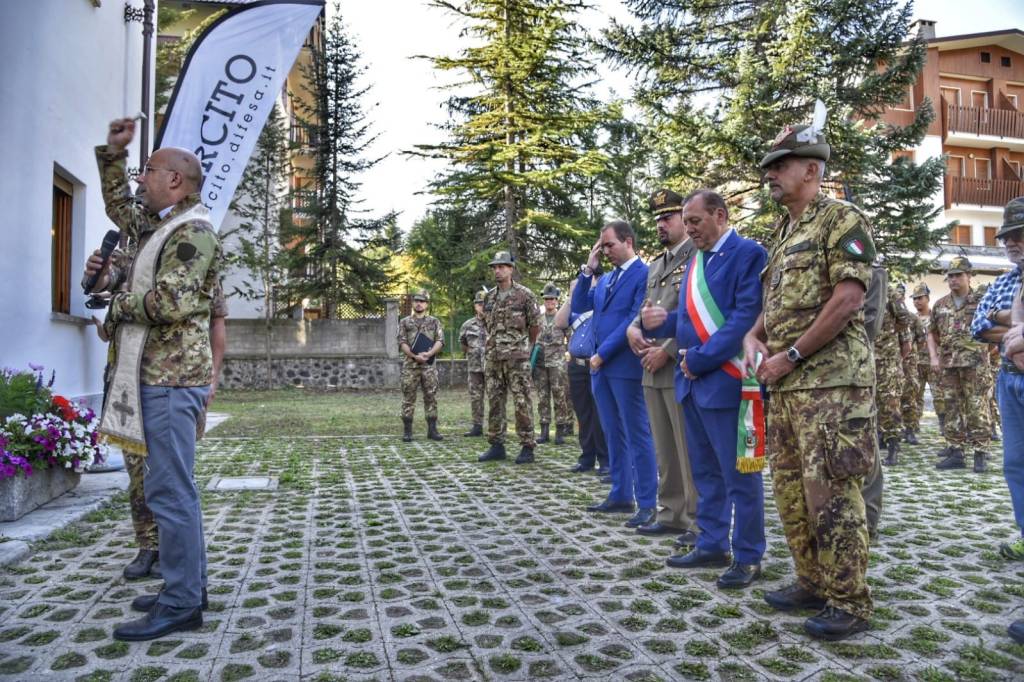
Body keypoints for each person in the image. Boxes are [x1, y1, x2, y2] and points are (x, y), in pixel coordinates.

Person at [90, 117, 222, 641]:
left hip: (170, 381)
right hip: (153, 376)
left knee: (170, 493)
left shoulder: (193, 231)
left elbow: (170, 302)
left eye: (148, 170)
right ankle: (185, 584)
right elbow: (121, 209)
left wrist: (115, 301)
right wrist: (113, 156)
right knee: (169, 491)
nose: (141, 179)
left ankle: (184, 601)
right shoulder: (159, 223)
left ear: (176, 181)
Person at [743, 121, 875, 640]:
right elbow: (771, 305)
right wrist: (755, 338)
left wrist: (792, 354)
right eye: (769, 168)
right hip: (788, 385)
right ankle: (811, 582)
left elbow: (849, 299)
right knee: (792, 492)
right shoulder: (782, 233)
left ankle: (850, 602)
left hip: (832, 384)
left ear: (812, 170)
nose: (771, 176)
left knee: (833, 496)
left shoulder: (841, 219)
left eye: (780, 166)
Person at [641, 190, 767, 589]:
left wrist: (699, 359)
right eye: (686, 221)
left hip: (726, 380)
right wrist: (661, 323)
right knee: (705, 473)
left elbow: (744, 316)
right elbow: (690, 319)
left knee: (739, 476)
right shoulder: (696, 258)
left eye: (695, 221)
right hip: (693, 384)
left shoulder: (748, 253)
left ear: (720, 215)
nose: (689, 228)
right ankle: (712, 541)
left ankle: (748, 555)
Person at [572, 221, 658, 528]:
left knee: (637, 433)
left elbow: (633, 319)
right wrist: (588, 270)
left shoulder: (644, 274)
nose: (605, 251)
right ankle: (621, 493)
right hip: (601, 369)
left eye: (609, 245)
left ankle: (647, 502)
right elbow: (580, 306)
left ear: (628, 242)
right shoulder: (605, 278)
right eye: (602, 246)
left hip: (623, 365)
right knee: (612, 432)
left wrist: (602, 353)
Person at [626, 189, 699, 546]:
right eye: (658, 218)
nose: (661, 224)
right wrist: (634, 329)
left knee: (688, 450)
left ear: (685, 221)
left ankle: (697, 521)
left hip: (679, 365)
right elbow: (647, 308)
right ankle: (670, 513)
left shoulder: (698, 257)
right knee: (664, 449)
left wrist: (667, 350)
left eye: (668, 217)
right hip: (649, 367)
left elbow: (695, 314)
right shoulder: (655, 265)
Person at [971, 198, 1024, 558]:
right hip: (1009, 379)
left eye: (1019, 234)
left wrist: (1004, 319)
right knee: (1015, 463)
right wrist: (1012, 322)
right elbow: (979, 327)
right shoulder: (1004, 281)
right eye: (1006, 237)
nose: (1010, 243)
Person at [929, 256, 991, 472]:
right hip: (949, 365)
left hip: (975, 365)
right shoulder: (940, 305)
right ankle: (956, 452)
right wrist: (935, 357)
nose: (953, 280)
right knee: (952, 406)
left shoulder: (982, 300)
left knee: (977, 407)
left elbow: (994, 329)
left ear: (969, 276)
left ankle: (981, 452)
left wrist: (983, 352)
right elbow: (932, 333)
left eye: (958, 275)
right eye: (950, 276)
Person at [478, 252, 540, 464]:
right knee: (495, 401)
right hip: (494, 357)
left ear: (511, 268)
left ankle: (527, 446)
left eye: (502, 266)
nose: (498, 270)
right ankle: (497, 445)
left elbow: (535, 326)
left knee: (522, 401)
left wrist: (524, 346)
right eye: (495, 267)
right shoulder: (489, 297)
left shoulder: (525, 295)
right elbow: (487, 324)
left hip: (517, 358)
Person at [555, 277, 609, 475]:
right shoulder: (576, 307)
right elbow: (559, 322)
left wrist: (593, 290)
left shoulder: (601, 302)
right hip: (576, 365)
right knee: (583, 414)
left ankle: (605, 460)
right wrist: (572, 296)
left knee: (600, 414)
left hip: (597, 365)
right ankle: (587, 457)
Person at [875, 277, 914, 465]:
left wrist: (887, 332)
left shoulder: (888, 291)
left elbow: (905, 320)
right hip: (860, 358)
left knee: (889, 403)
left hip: (886, 358)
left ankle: (893, 447)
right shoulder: (851, 285)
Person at [397, 290, 445, 442]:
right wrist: (413, 356)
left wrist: (429, 354)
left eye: (422, 301)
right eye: (417, 301)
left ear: (427, 304)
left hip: (429, 367)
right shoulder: (404, 322)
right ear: (413, 303)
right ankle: (407, 431)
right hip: (410, 366)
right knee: (408, 398)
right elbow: (401, 342)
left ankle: (432, 430)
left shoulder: (434, 322)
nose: (419, 303)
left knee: (431, 397)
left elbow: (440, 341)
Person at [534, 283, 573, 445]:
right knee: (542, 397)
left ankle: (560, 431)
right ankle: (544, 431)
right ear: (544, 301)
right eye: (547, 299)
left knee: (559, 396)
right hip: (541, 363)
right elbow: (532, 338)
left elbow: (571, 339)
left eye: (553, 299)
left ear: (557, 301)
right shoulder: (538, 319)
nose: (550, 301)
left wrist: (569, 356)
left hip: (557, 363)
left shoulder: (562, 318)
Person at [911, 284, 944, 434]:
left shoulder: (936, 318)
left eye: (920, 298)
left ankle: (944, 425)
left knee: (939, 395)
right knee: (915, 396)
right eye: (915, 299)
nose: (917, 301)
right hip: (916, 363)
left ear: (927, 298)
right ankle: (913, 427)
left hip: (933, 363)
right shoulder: (911, 319)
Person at [459, 290, 488, 437]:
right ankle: (477, 426)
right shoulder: (467, 325)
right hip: (475, 367)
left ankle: (497, 427)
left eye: (484, 304)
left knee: (496, 397)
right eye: (478, 304)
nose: (481, 306)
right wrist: (472, 353)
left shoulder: (495, 324)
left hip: (492, 367)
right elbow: (463, 344)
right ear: (475, 306)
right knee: (476, 397)